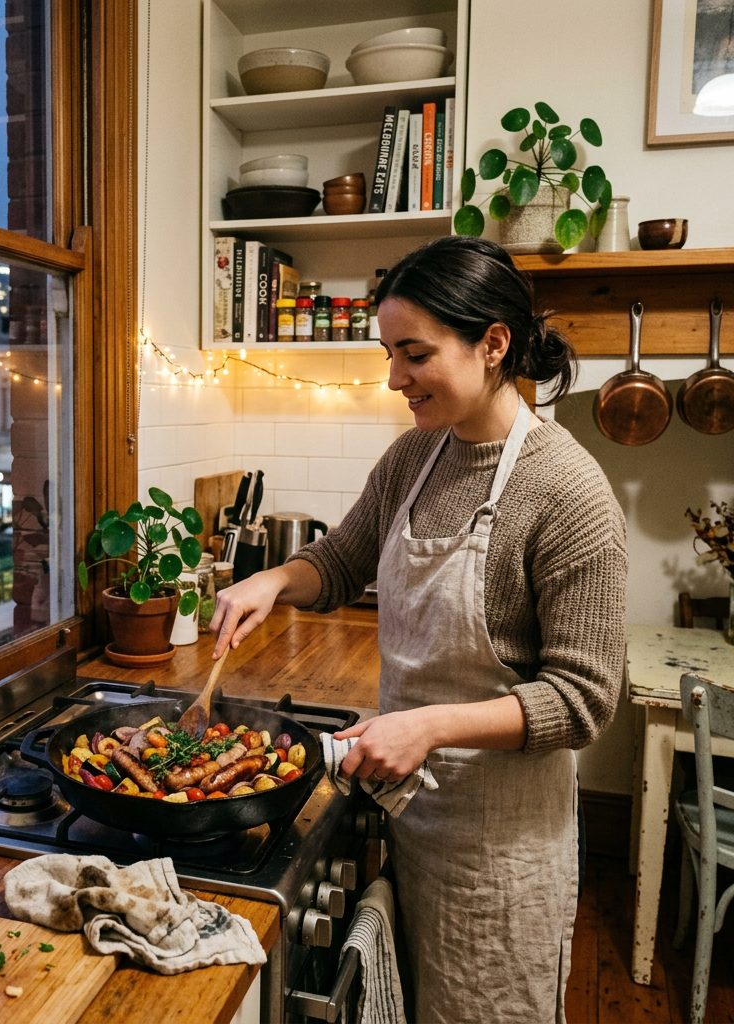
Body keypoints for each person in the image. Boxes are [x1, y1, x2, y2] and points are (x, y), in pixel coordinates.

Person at [209, 235, 627, 1023]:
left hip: (500, 848)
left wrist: (427, 727)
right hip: (404, 807)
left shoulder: (569, 491)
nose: (394, 377)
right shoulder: (414, 456)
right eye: (388, 352)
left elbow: (584, 700)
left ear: (493, 344)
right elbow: (339, 560)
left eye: (415, 353)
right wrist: (272, 578)